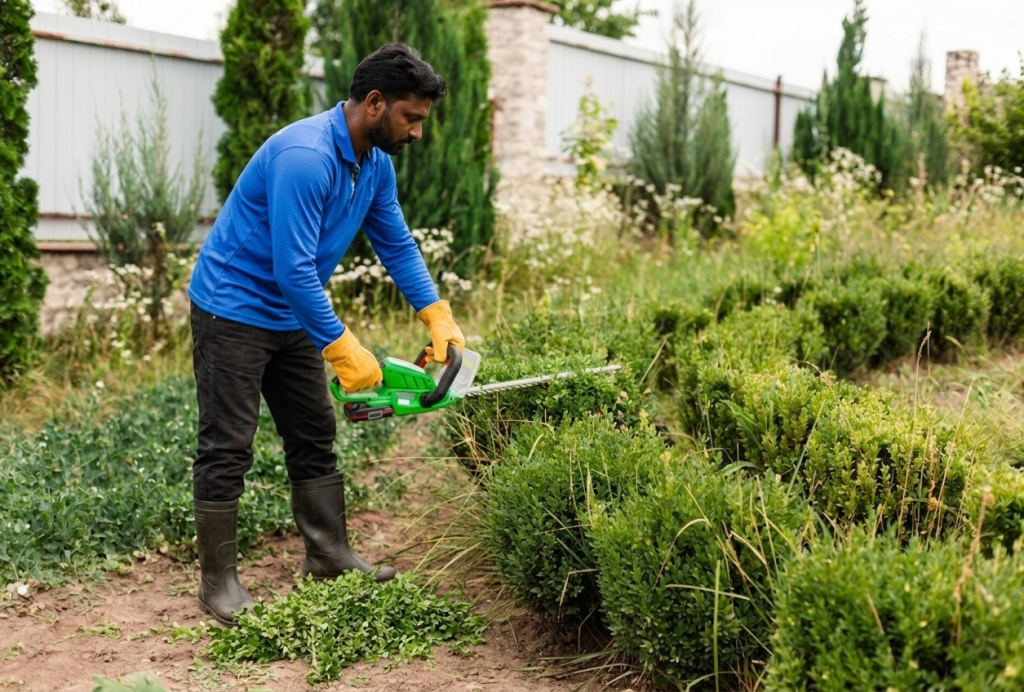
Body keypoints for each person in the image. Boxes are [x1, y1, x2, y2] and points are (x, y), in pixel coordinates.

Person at [186, 43, 465, 626]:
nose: (416, 132)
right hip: (233, 309)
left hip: (291, 311)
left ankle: (328, 556)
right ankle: (218, 582)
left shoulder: (374, 164)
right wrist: (343, 348)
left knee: (313, 433)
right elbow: (292, 267)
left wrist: (436, 313)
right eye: (411, 117)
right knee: (227, 444)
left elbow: (395, 243)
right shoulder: (305, 156)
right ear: (373, 102)